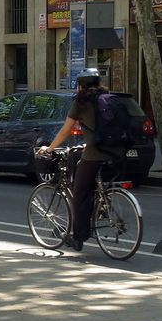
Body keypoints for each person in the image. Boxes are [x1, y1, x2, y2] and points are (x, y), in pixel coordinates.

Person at [38, 68, 112, 251]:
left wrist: (50, 148)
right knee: (91, 181)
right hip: (117, 151)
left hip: (96, 153)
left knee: (80, 193)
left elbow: (66, 131)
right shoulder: (109, 98)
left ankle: (78, 238)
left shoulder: (81, 102)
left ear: (81, 85)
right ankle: (101, 207)